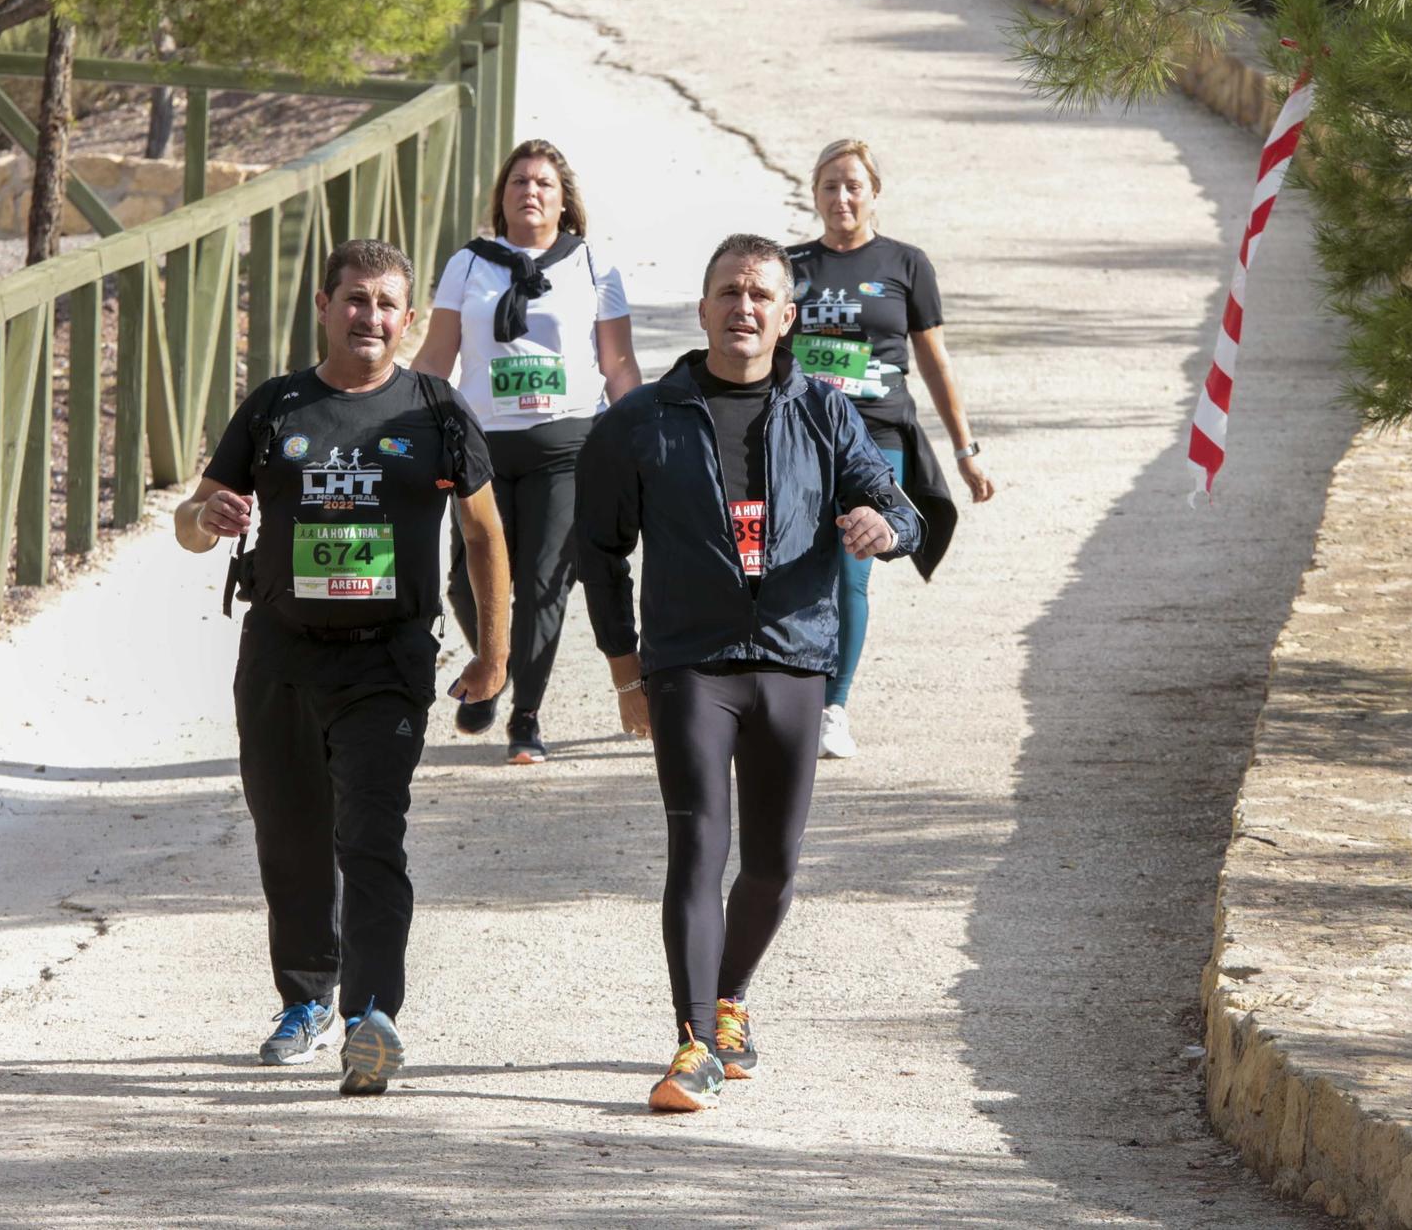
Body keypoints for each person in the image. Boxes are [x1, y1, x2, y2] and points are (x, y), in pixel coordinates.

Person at [573, 233, 921, 1113]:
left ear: (788, 316)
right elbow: (600, 550)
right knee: (699, 845)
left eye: (762, 294)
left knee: (773, 864)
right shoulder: (642, 419)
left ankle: (726, 999)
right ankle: (692, 1044)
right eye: (729, 291)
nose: (744, 307)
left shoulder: (823, 411)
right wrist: (627, 672)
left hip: (798, 659)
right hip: (692, 663)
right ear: (702, 309)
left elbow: (896, 502)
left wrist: (887, 527)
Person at [174, 239, 509, 1096]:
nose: (369, 317)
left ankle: (370, 1016)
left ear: (409, 319)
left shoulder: (435, 409)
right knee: (290, 838)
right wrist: (205, 514)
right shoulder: (276, 405)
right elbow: (188, 520)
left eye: (386, 304)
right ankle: (306, 999)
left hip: (387, 660)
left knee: (370, 836)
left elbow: (483, 536)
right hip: (281, 654)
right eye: (353, 300)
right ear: (323, 306)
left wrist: (495, 653)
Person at [413, 138, 641, 765]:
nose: (530, 191)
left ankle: (526, 718)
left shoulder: (593, 265)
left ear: (564, 200)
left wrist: (643, 435)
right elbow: (436, 359)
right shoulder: (467, 264)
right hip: (479, 444)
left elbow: (618, 364)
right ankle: (494, 664)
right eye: (519, 181)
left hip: (568, 444)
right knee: (465, 580)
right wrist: (398, 421)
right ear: (502, 196)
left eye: (543, 183)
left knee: (544, 584)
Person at [785, 138, 995, 760]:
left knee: (852, 570)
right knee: (787, 566)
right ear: (814, 193)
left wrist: (966, 449)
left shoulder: (906, 263)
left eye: (853, 185)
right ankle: (783, 693)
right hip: (798, 435)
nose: (841, 197)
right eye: (830, 185)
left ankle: (832, 707)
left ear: (875, 192)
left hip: (873, 440)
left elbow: (934, 359)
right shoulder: (789, 264)